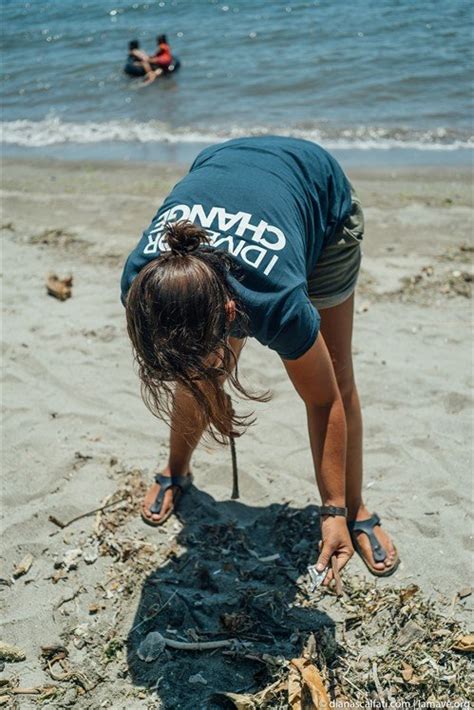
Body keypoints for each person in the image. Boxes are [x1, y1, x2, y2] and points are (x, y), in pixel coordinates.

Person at [121, 136, 399, 585]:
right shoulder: (142, 284)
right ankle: (176, 468)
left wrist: (332, 507)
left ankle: (356, 508)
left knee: (337, 369)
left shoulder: (276, 303)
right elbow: (187, 359)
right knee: (195, 365)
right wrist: (204, 382)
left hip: (319, 194)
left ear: (234, 315)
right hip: (228, 164)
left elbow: (324, 401)